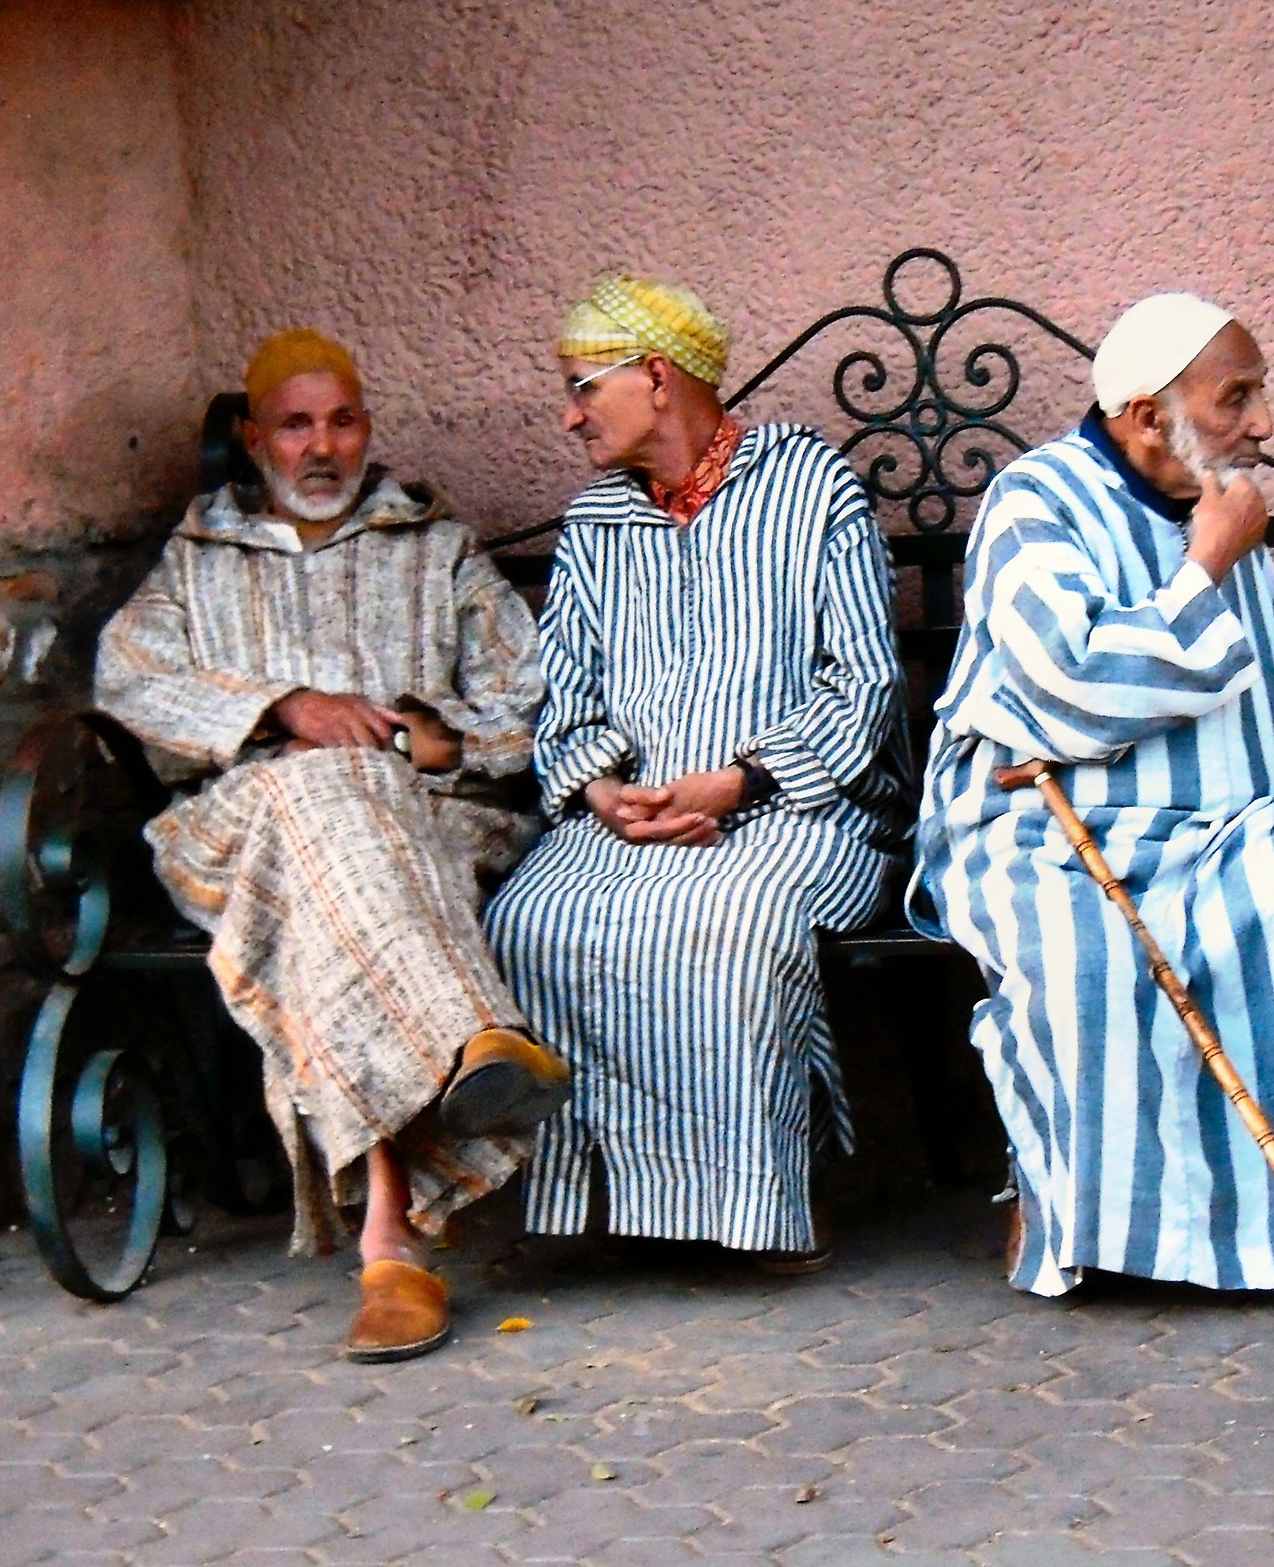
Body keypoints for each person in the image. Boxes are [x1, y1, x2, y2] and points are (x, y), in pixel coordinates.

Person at [95, 328, 569, 1362]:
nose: (324, 447)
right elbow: (127, 679)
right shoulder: (200, 559)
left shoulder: (432, 548)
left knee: (343, 837)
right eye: (298, 424)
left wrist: (413, 734)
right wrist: (284, 708)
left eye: (344, 421)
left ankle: (389, 1242)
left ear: (368, 430)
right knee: (321, 798)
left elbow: (526, 701)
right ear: (256, 438)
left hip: (422, 825)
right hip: (240, 829)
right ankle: (473, 1040)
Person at [911, 292, 1274, 1299]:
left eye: (1259, 396)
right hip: (1046, 817)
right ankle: (1091, 1228)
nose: (1263, 426)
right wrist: (1207, 565)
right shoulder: (1038, 502)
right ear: (1143, 416)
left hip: (1236, 816)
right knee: (1086, 955)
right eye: (1235, 399)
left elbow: (1268, 681)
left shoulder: (1226, 501)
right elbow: (1070, 686)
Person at [484, 275, 910, 1269]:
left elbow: (863, 684)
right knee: (533, 919)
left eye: (586, 386)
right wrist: (601, 793)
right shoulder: (596, 524)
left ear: (659, 378)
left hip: (805, 807)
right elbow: (569, 703)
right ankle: (616, 1198)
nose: (570, 410)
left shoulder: (811, 490)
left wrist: (739, 783)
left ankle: (762, 1206)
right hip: (635, 815)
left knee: (733, 921)